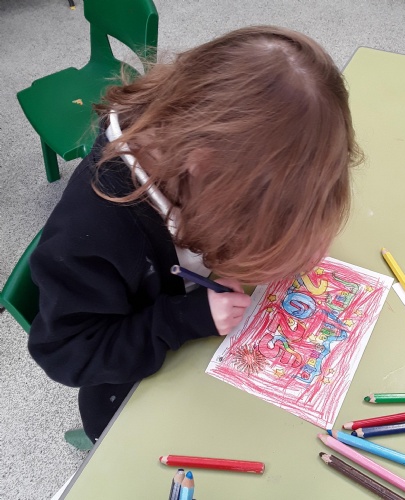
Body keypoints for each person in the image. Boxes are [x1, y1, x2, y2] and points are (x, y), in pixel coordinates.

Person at [27, 26, 362, 443]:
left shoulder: (191, 153)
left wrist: (289, 236)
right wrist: (185, 318)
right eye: (256, 214)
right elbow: (66, 352)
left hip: (201, 365)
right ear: (204, 169)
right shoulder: (93, 233)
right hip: (131, 401)